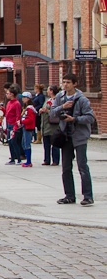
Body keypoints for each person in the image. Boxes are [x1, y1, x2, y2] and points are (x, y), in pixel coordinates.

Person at [50, 74, 95, 206]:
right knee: (66, 167)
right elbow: (52, 113)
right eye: (64, 82)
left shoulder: (82, 100)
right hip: (65, 136)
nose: (65, 85)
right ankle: (69, 195)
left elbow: (90, 118)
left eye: (68, 82)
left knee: (82, 166)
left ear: (74, 84)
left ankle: (88, 196)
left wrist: (75, 119)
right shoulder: (60, 97)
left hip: (79, 136)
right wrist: (62, 107)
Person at [40, 85, 60, 166]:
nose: (47, 92)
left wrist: (48, 111)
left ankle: (55, 160)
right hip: (45, 125)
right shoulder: (48, 100)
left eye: (48, 90)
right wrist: (41, 110)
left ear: (51, 91)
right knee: (46, 144)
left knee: (54, 144)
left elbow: (57, 111)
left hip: (53, 125)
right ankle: (47, 159)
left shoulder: (57, 101)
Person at [4, 87, 22, 165]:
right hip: (9, 123)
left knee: (14, 142)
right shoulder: (9, 103)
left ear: (12, 94)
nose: (6, 95)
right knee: (10, 142)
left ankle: (18, 158)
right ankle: (12, 158)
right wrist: (3, 110)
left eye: (8, 93)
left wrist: (16, 125)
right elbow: (8, 113)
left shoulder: (16, 103)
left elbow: (18, 115)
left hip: (13, 124)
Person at [19, 92, 37, 167]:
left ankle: (29, 161)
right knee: (24, 144)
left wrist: (21, 121)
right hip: (25, 127)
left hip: (28, 128)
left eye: (24, 97)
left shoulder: (30, 109)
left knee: (27, 145)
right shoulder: (26, 108)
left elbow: (30, 119)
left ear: (28, 98)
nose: (22, 99)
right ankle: (28, 160)